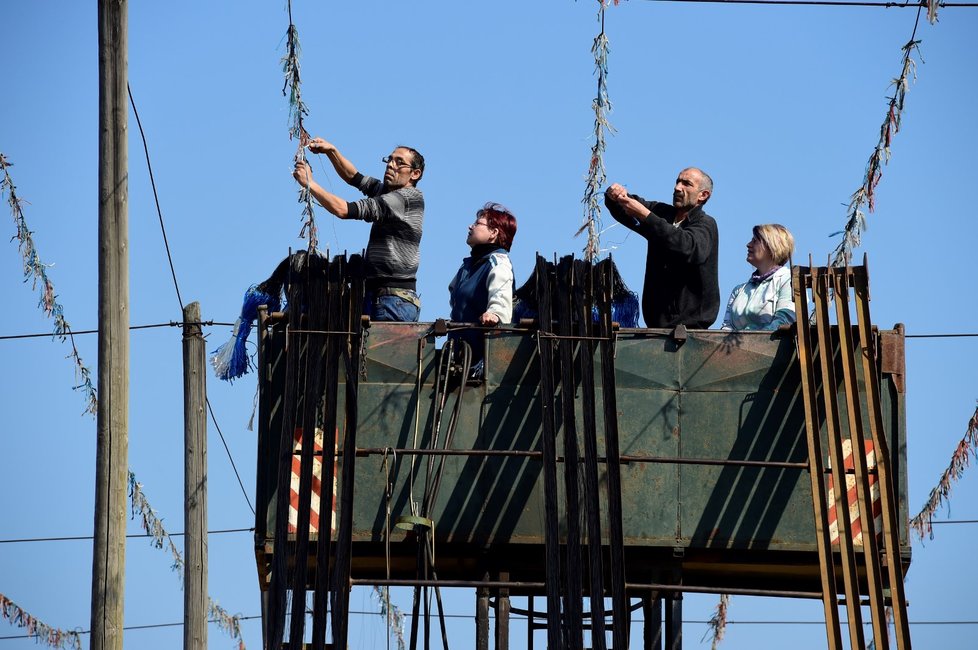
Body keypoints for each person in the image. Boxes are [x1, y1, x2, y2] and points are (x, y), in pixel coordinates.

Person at [293, 138, 425, 321]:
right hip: (382, 296)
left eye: (399, 162)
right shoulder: (388, 192)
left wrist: (311, 184)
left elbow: (343, 209)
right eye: (390, 159)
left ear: (415, 174)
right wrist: (332, 151)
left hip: (393, 300)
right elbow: (354, 177)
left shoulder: (403, 199)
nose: (391, 165)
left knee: (379, 351)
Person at [604, 167, 720, 329]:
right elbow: (627, 208)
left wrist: (646, 216)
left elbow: (688, 247)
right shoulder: (662, 213)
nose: (678, 187)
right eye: (677, 181)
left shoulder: (705, 223)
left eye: (686, 184)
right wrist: (615, 195)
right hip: (656, 329)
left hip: (691, 332)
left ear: (703, 195)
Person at [448, 202, 517, 371]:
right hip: (460, 356)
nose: (470, 226)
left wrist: (495, 313)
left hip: (482, 362)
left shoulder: (498, 264)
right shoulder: (467, 266)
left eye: (478, 223)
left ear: (493, 232)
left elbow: (501, 296)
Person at [721, 224, 796, 331]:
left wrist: (749, 342)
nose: (748, 245)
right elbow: (726, 329)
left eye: (755, 241)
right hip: (734, 347)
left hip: (772, 347)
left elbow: (784, 321)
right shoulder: (738, 290)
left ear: (772, 246)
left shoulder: (789, 281)